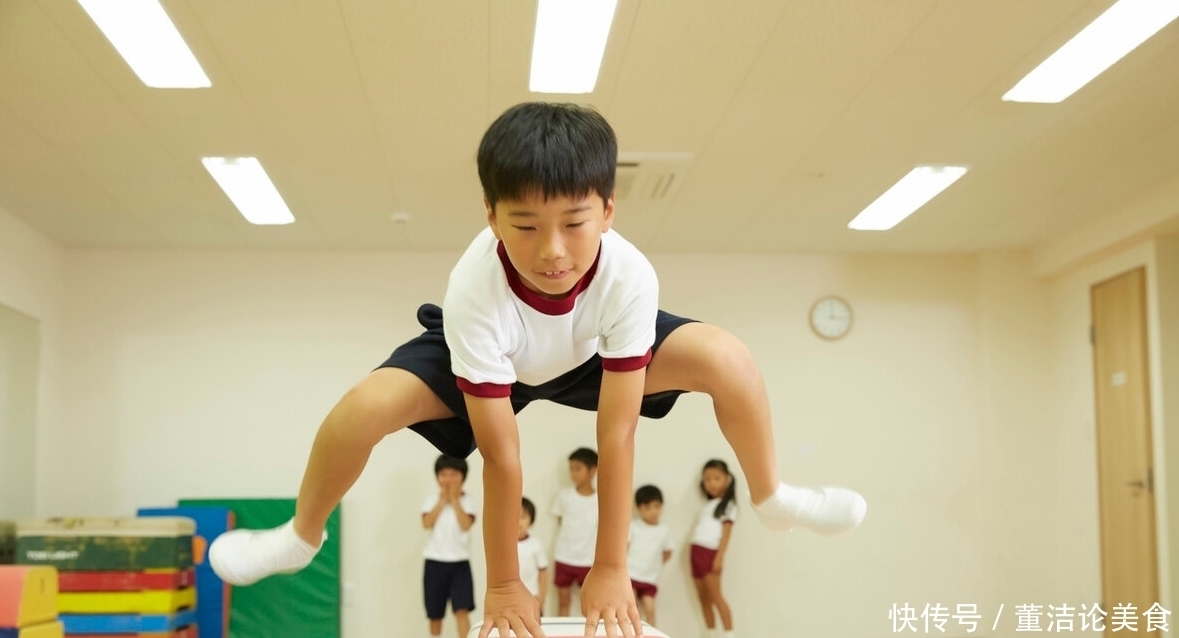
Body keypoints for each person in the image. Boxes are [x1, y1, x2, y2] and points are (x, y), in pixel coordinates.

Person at [208, 101, 867, 638]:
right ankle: (299, 535)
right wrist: (502, 585)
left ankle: (772, 496)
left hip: (592, 352)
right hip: (498, 354)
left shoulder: (627, 276)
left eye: (574, 223)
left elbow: (616, 434)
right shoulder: (475, 289)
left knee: (728, 358)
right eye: (523, 226)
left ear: (608, 211)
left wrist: (610, 569)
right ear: (490, 216)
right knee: (362, 408)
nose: (551, 252)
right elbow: (500, 455)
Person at [421, 455, 478, 638]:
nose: (448, 479)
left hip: (460, 563)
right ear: (437, 477)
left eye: (454, 474)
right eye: (443, 474)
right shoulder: (431, 499)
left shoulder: (468, 501)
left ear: (463, 476)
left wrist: (454, 500)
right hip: (434, 562)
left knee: (462, 610)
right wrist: (441, 501)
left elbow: (466, 524)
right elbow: (427, 523)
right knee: (435, 612)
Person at [690, 461, 739, 638]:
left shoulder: (728, 506)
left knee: (716, 596)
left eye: (716, 478)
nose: (711, 483)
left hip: (710, 553)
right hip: (695, 552)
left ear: (727, 479)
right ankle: (710, 633)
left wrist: (719, 557)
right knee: (703, 598)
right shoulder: (707, 505)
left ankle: (729, 634)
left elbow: (726, 534)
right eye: (707, 479)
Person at [551, 447, 600, 615]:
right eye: (571, 468)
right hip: (564, 556)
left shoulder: (600, 500)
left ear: (593, 470)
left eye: (578, 469)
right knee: (563, 600)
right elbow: (560, 520)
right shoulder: (564, 495)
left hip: (588, 560)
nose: (573, 473)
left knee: (589, 605)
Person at [626, 485, 674, 628]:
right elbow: (625, 547)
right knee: (631, 609)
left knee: (650, 610)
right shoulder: (634, 526)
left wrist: (656, 564)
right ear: (639, 508)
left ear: (661, 506)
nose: (653, 511)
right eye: (647, 507)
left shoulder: (664, 530)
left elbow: (668, 551)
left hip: (650, 578)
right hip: (631, 575)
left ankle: (651, 633)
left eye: (656, 506)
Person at [518, 497, 550, 612]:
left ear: (531, 520)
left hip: (533, 597)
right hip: (512, 599)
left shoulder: (536, 544)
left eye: (522, 517)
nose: (518, 521)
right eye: (514, 516)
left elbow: (543, 572)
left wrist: (541, 596)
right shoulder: (505, 545)